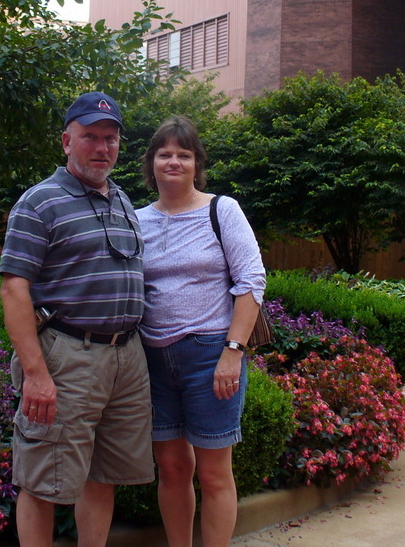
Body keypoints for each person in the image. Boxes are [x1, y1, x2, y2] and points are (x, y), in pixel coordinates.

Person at [0, 91, 153, 547]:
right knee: (41, 479)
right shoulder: (39, 201)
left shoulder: (122, 199)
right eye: (90, 136)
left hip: (127, 358)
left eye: (110, 138)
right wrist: (35, 374)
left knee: (103, 474)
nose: (102, 147)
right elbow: (13, 288)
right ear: (67, 141)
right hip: (67, 356)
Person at [136, 115, 266, 547]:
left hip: (210, 356)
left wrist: (233, 351)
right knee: (172, 469)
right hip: (152, 360)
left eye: (184, 155)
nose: (173, 162)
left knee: (213, 474)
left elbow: (251, 281)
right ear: (151, 163)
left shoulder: (221, 210)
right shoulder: (136, 220)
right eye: (164, 154)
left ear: (197, 164)